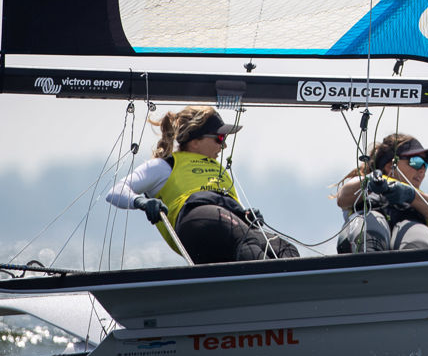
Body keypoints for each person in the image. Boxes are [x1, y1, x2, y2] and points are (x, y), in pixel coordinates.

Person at [106, 106, 299, 264]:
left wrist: (246, 215)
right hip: (197, 219)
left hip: (226, 224)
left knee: (286, 250)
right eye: (219, 138)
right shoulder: (165, 165)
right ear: (195, 141)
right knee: (248, 244)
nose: (223, 146)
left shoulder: (220, 170)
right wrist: (142, 202)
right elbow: (116, 191)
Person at [336, 133, 428, 253]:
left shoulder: (422, 201)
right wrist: (369, 181)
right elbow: (342, 198)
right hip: (362, 236)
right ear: (389, 166)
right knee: (370, 225)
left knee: (419, 235)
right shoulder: (361, 187)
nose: (422, 170)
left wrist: (410, 195)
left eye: (425, 165)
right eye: (416, 162)